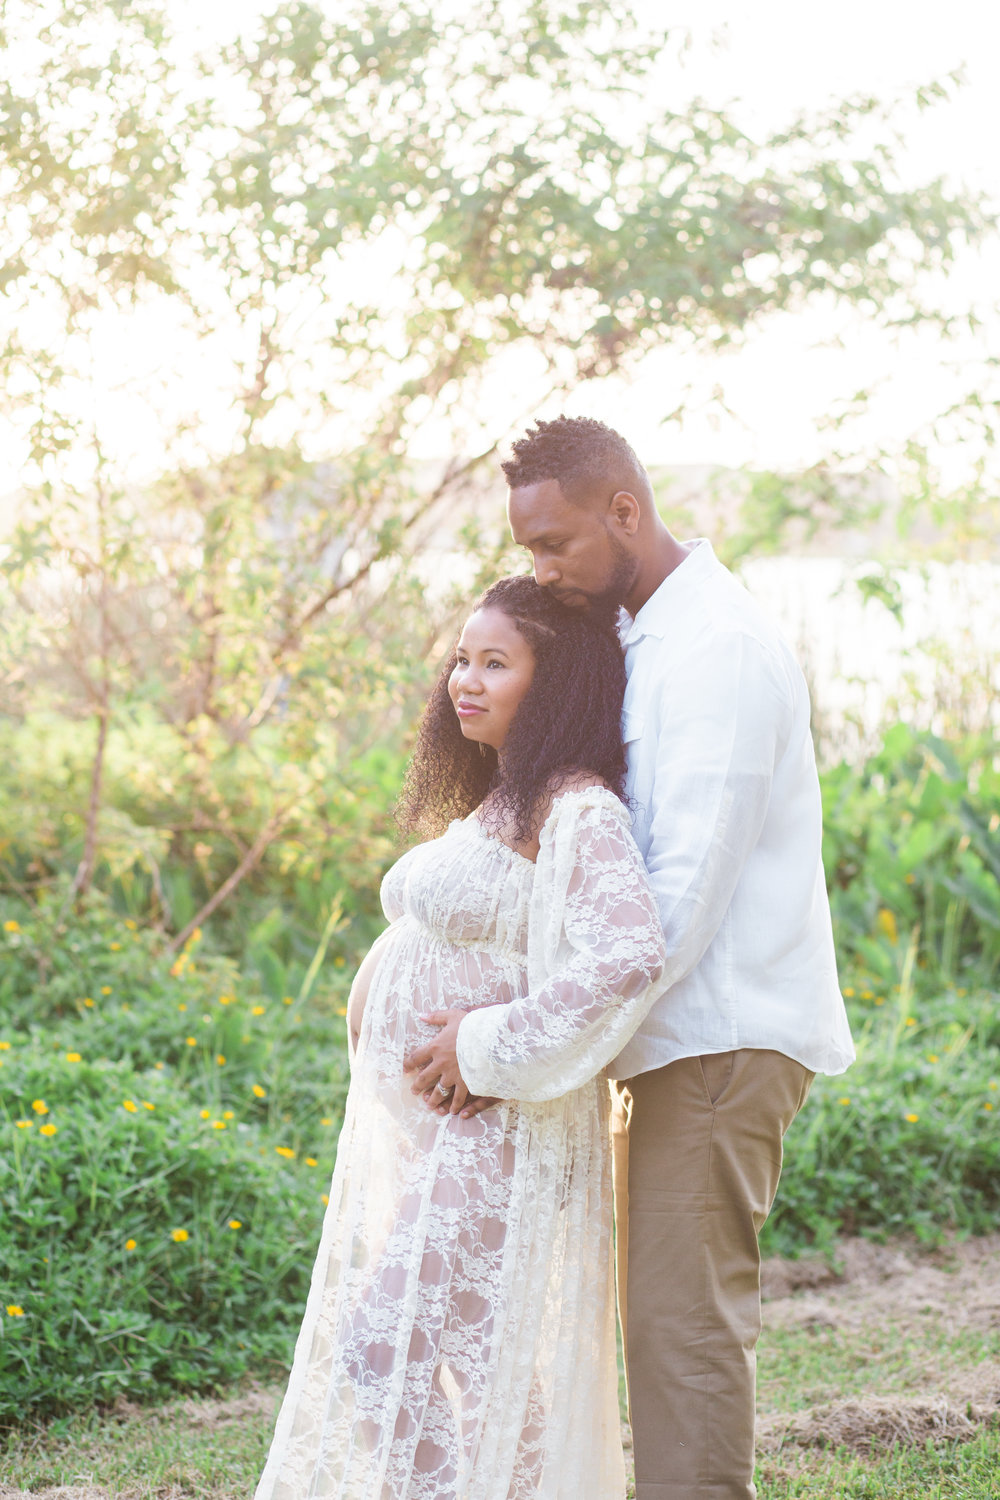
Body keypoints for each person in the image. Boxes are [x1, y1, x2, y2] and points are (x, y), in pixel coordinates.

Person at [413, 418, 855, 1500]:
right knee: (650, 1322)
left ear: (625, 512)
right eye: (528, 551)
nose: (541, 572)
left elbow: (671, 910)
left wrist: (495, 1047)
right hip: (662, 1045)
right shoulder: (648, 640)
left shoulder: (719, 653)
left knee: (679, 1329)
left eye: (555, 545)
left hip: (718, 1040)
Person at [254, 575, 668, 1500]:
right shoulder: (503, 798)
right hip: (440, 1135)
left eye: (494, 662)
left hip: (498, 1131)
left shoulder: (576, 805)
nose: (462, 680)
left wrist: (490, 1045)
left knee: (381, 1346)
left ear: (551, 682)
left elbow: (629, 952)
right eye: (460, 658)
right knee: (488, 1376)